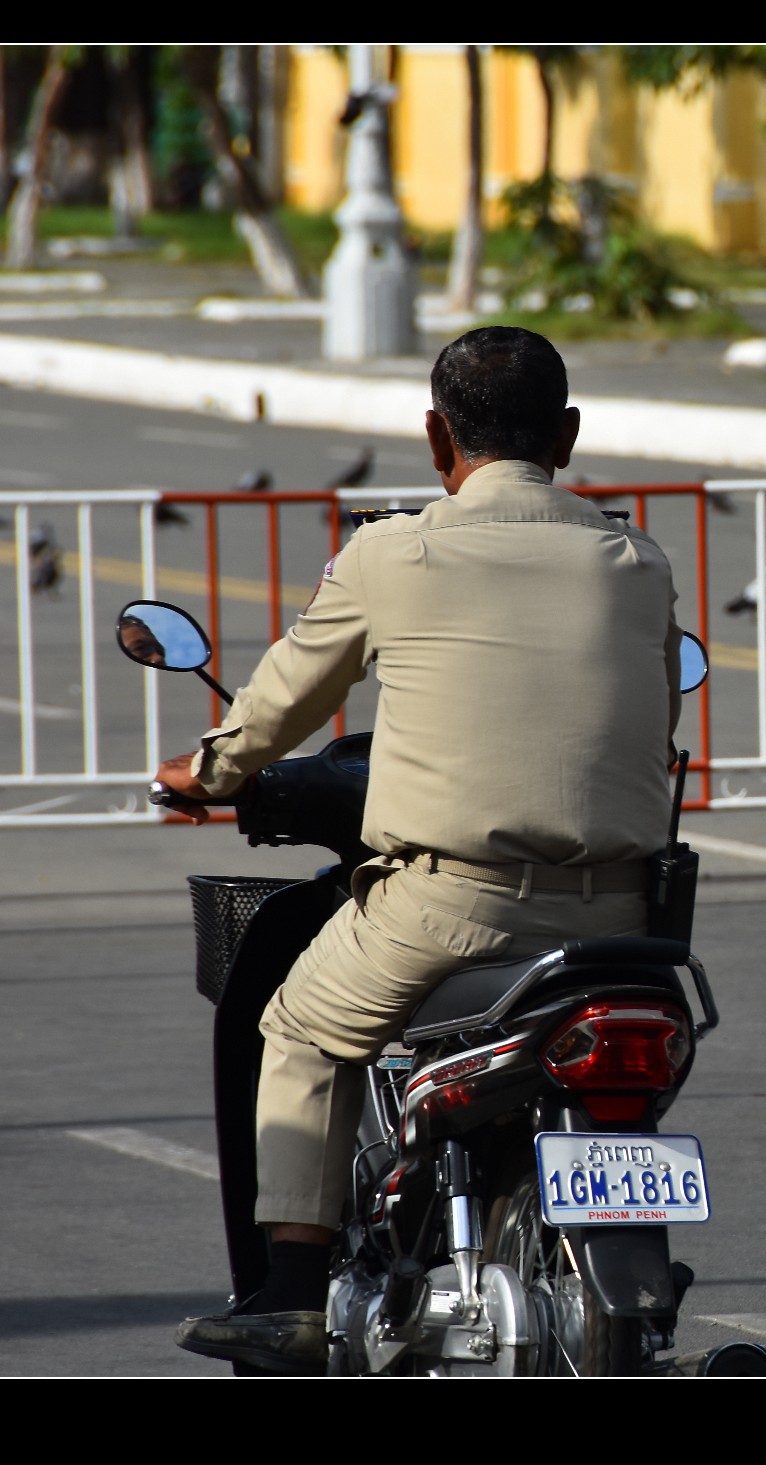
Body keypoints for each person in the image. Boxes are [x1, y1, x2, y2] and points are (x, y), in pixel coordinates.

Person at [163, 326, 684, 1372]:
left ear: (436, 436)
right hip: (629, 921)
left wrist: (209, 771)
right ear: (567, 436)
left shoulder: (394, 553)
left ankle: (294, 1295)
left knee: (300, 1026)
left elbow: (283, 700)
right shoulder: (637, 559)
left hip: (453, 908)